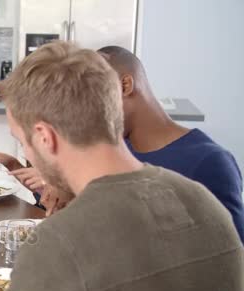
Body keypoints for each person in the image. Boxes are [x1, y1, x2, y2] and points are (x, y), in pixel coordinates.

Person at [0, 41, 243, 291]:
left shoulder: (58, 241)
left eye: (22, 141)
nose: (27, 153)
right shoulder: (204, 201)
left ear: (45, 137)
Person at [98, 45, 244, 242]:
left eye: (95, 98)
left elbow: (233, 262)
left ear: (125, 86)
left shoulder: (209, 163)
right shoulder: (116, 153)